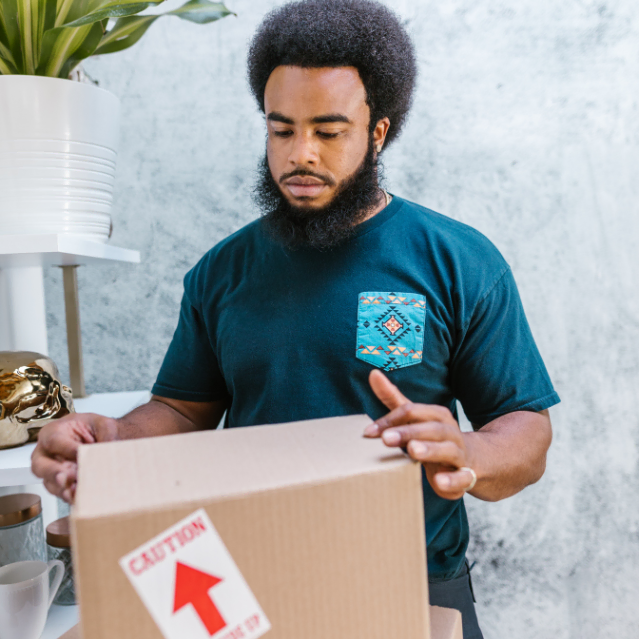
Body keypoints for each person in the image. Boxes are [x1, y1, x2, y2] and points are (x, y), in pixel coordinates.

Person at [31, 1, 560, 637]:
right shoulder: (220, 273)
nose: (300, 154)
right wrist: (112, 441)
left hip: (416, 577)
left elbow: (526, 431)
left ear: (379, 132)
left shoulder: (458, 261)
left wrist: (468, 450)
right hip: (249, 569)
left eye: (329, 131)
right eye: (282, 130)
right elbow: (182, 410)